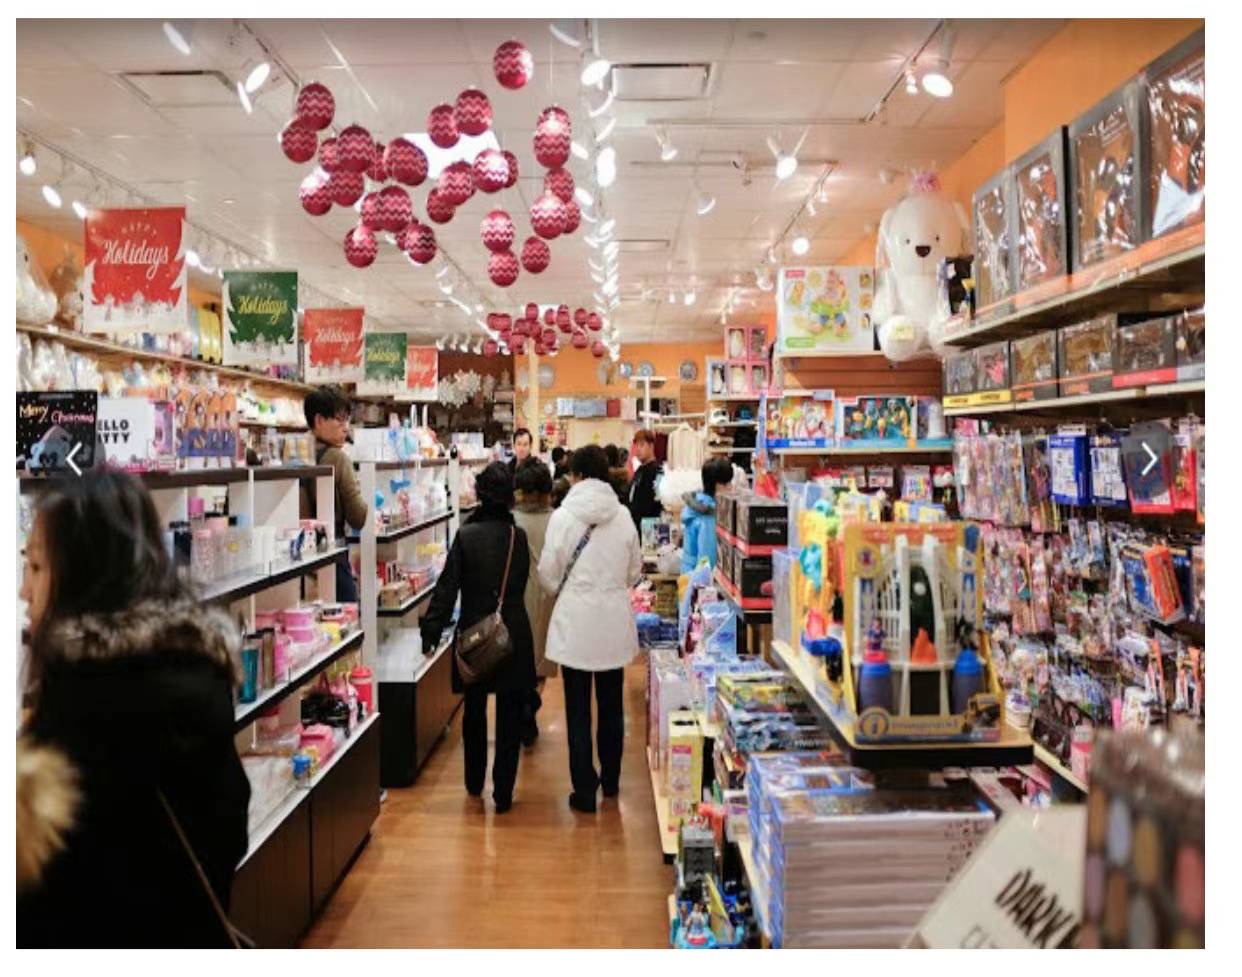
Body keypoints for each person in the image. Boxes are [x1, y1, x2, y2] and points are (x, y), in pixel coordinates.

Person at [17, 471, 250, 948]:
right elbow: (229, 829)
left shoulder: (76, 711)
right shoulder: (197, 674)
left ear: (84, 575)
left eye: (36, 567)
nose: (24, 589)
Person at [420, 463, 535, 813]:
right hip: (511, 633)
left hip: (473, 636)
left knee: (474, 710)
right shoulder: (518, 537)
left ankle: (474, 781)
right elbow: (519, 582)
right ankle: (503, 792)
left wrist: (431, 630)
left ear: (481, 494)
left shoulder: (466, 536)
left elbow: (447, 588)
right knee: (510, 714)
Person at [538, 445, 642, 814]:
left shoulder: (563, 517)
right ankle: (611, 781)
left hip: (576, 624)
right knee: (612, 706)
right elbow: (634, 572)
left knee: (578, 710)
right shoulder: (623, 516)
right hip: (613, 622)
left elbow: (549, 577)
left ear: (577, 475)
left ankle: (584, 790)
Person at [303, 385, 367, 603]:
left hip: (299, 559)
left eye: (347, 420)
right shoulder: (338, 459)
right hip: (332, 553)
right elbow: (358, 517)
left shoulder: (296, 454)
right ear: (319, 420)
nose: (346, 428)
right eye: (339, 420)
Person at [513, 459, 557, 747]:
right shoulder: (557, 519)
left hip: (519, 596)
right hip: (550, 596)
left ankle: (525, 704)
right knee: (543, 660)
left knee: (521, 659)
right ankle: (532, 701)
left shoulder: (512, 519)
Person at [681, 457, 735, 574]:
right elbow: (707, 560)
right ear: (718, 485)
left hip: (689, 575)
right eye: (727, 483)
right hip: (699, 579)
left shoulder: (698, 505)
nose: (731, 487)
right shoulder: (708, 515)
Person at [627, 428, 664, 534]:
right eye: (637, 446)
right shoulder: (639, 470)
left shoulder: (658, 471)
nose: (638, 449)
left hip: (651, 527)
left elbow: (659, 501)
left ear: (651, 446)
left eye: (642, 445)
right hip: (636, 526)